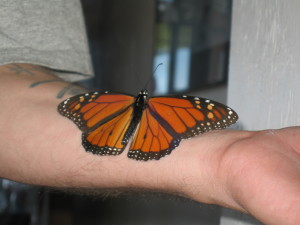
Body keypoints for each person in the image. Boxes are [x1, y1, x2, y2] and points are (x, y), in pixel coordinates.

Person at [0, 2, 299, 225]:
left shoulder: (118, 102)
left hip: (127, 128)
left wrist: (225, 158)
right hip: (146, 131)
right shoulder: (142, 105)